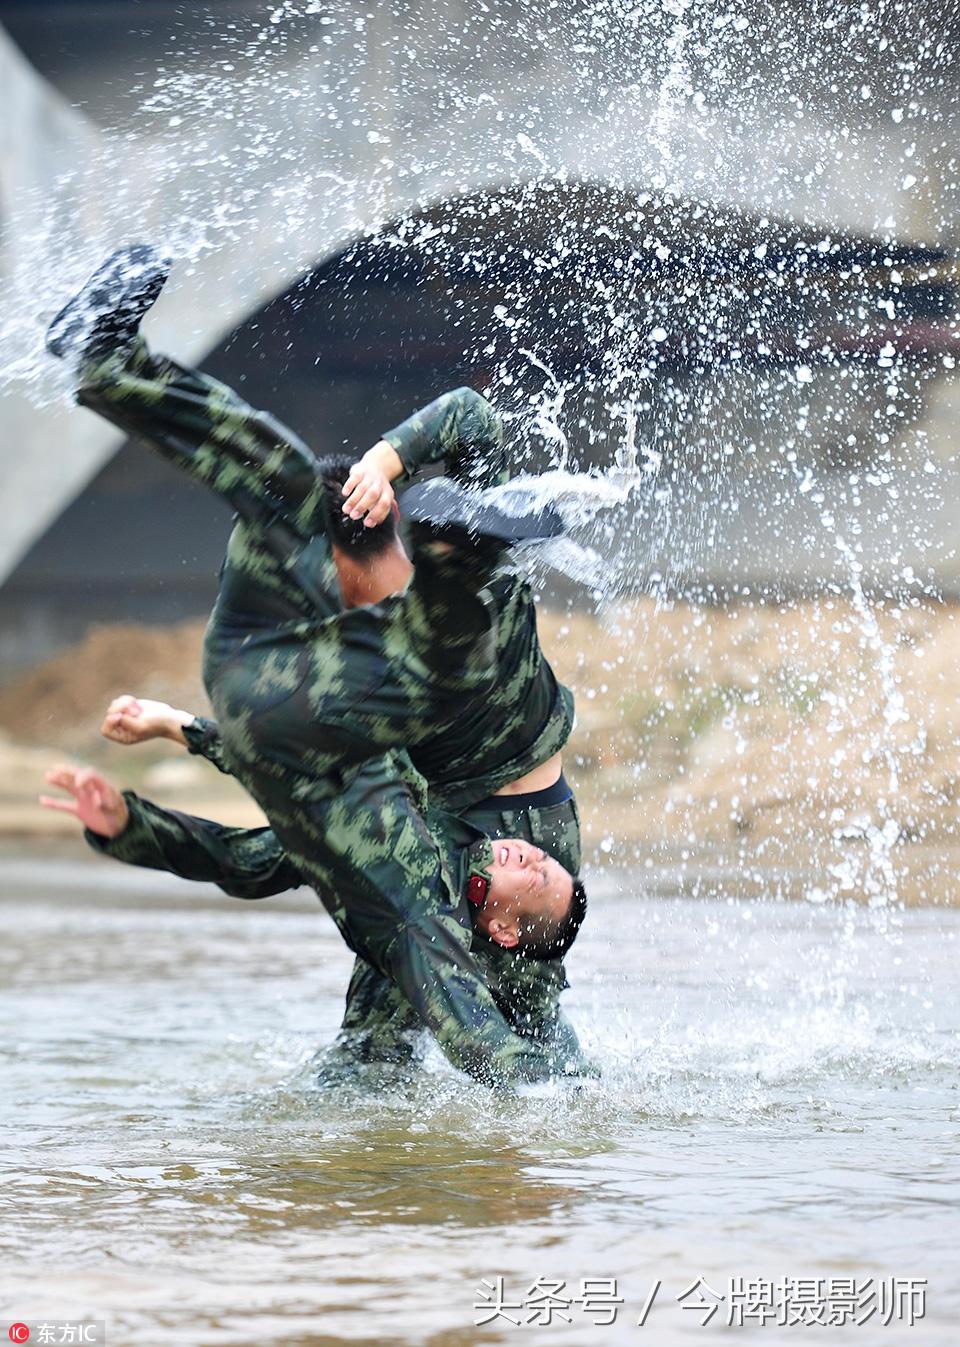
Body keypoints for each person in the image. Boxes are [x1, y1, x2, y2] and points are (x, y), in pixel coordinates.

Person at [45, 244, 588, 1088]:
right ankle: (107, 360)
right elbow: (473, 417)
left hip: (481, 823)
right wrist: (386, 459)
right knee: (370, 1060)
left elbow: (273, 835)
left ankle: (438, 1104)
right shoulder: (387, 697)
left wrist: (166, 765)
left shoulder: (487, 627)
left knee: (458, 1031)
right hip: (438, 767)